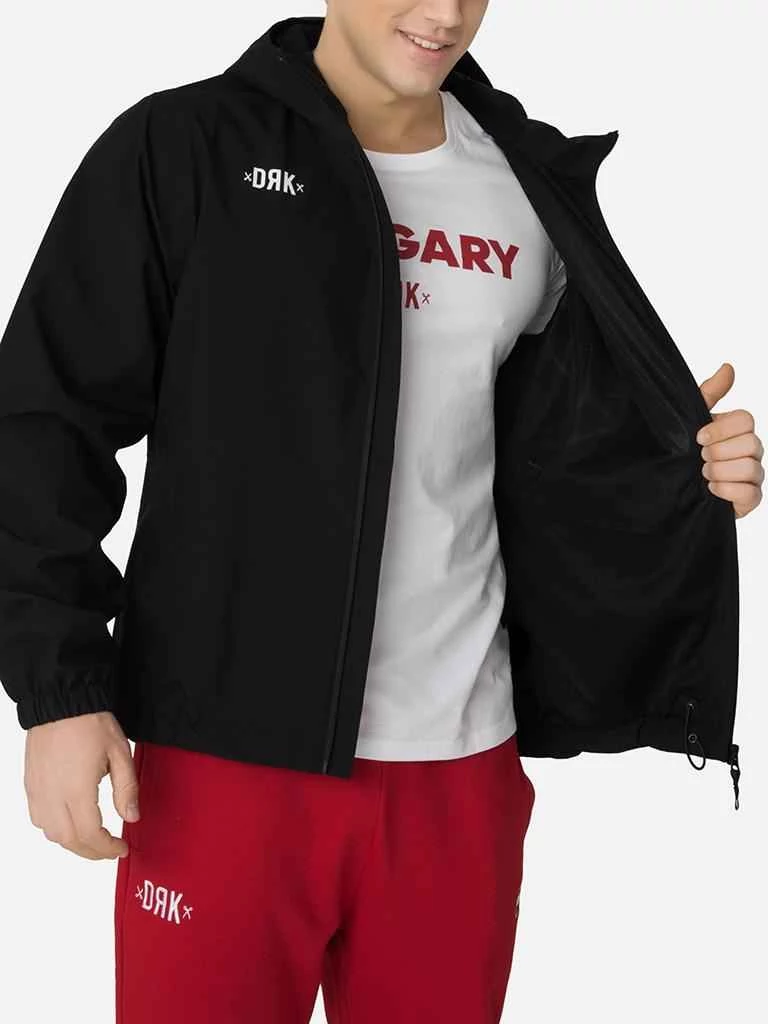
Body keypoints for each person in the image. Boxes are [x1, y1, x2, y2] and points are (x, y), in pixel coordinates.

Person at [0, 3, 763, 1022]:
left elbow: (550, 456)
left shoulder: (526, 182)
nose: (444, 13)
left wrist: (685, 476)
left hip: (462, 768)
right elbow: (41, 421)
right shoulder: (186, 148)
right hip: (223, 756)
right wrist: (57, 690)